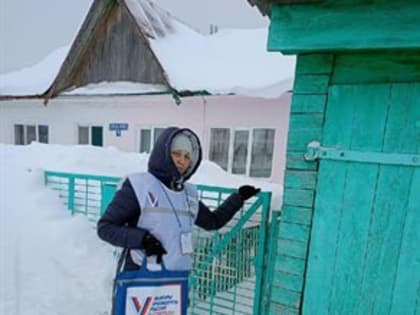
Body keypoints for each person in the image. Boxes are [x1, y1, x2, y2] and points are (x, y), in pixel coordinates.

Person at [97, 126, 260, 272]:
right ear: (163, 153)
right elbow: (105, 228)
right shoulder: (139, 185)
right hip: (140, 277)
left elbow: (213, 222)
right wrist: (143, 240)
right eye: (176, 153)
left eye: (187, 156)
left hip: (176, 282)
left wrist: (239, 198)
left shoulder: (188, 194)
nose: (182, 160)